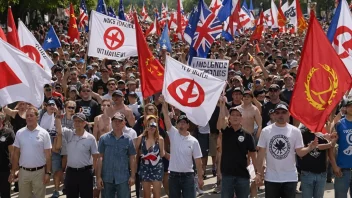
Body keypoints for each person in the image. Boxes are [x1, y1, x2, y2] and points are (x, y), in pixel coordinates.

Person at [255, 104, 318, 198]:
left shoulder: (295, 131)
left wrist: (310, 147)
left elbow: (300, 152)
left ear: (289, 114)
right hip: (271, 177)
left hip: (290, 177)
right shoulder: (266, 131)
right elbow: (261, 154)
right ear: (274, 115)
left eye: (284, 112)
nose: (281, 115)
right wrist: (259, 173)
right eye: (278, 113)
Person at [160, 95, 203, 198]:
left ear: (188, 126)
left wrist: (200, 178)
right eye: (179, 122)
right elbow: (166, 117)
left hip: (188, 176)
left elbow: (198, 161)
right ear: (177, 124)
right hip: (173, 176)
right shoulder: (173, 133)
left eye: (184, 123)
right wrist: (164, 104)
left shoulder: (194, 141)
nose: (181, 124)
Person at [216, 96, 257, 198]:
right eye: (232, 115)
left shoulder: (247, 135)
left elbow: (252, 154)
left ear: (241, 118)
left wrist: (257, 172)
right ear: (229, 118)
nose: (235, 117)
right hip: (227, 174)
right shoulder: (225, 132)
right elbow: (220, 122)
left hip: (242, 175)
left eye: (238, 115)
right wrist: (222, 106)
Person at [9, 107, 52, 198]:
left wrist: (48, 173)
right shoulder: (20, 133)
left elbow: (48, 155)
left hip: (39, 172)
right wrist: (13, 171)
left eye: (31, 115)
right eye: (27, 116)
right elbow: (16, 153)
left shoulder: (44, 133)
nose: (28, 118)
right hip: (23, 172)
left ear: (37, 117)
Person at [56, 112, 99, 198]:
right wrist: (57, 117)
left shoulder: (90, 138)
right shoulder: (69, 134)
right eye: (75, 121)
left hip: (86, 173)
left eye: (79, 121)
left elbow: (95, 158)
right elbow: (59, 131)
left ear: (84, 123)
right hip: (71, 172)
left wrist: (96, 175)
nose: (77, 123)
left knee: (86, 196)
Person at [96, 112, 137, 197]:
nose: (117, 123)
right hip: (107, 177)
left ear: (124, 123)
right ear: (111, 122)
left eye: (120, 121)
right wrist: (98, 177)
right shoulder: (103, 138)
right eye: (115, 121)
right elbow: (100, 158)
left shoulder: (128, 139)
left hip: (123, 178)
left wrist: (133, 176)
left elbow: (132, 158)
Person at [299, 125, 336, 198]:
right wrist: (330, 144)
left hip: (321, 173)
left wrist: (332, 141)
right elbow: (300, 151)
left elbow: (331, 152)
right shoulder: (302, 133)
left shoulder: (324, 132)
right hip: (307, 173)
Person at [135, 115, 165, 198]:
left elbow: (162, 154)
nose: (152, 127)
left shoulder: (160, 139)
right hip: (144, 167)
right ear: (146, 125)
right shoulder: (141, 138)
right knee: (146, 194)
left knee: (157, 193)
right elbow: (134, 152)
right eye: (149, 125)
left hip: (157, 167)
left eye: (154, 125)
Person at [329, 99, 352, 198]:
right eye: (350, 105)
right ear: (345, 108)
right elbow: (331, 146)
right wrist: (334, 166)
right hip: (342, 170)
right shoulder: (339, 124)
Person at [0, 112, 15, 198]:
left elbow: (12, 153)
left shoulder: (9, 133)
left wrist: (13, 170)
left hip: (4, 169)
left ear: (2, 120)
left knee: (5, 194)